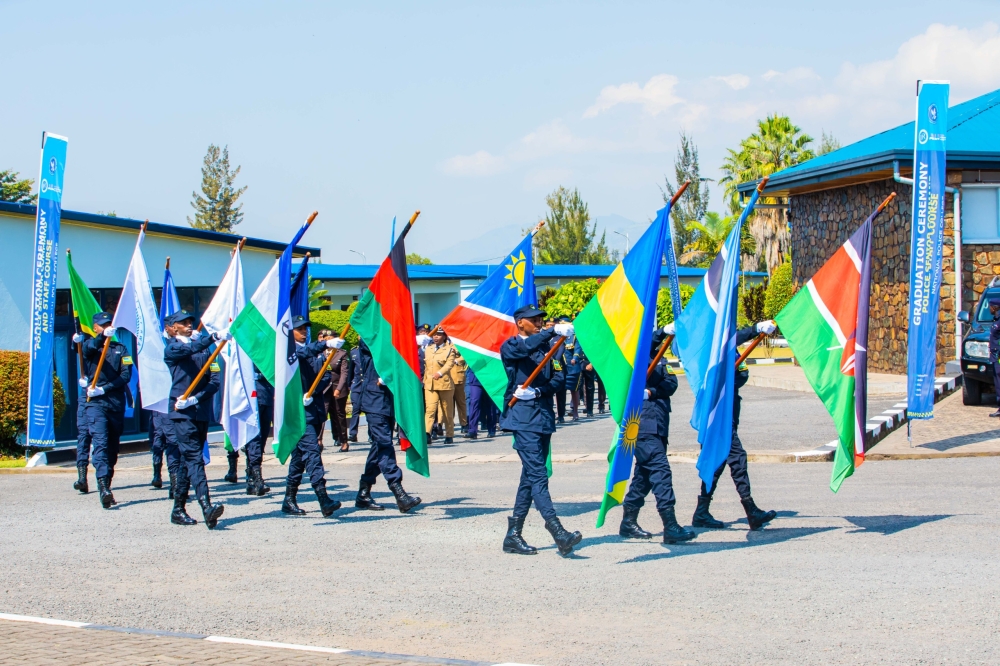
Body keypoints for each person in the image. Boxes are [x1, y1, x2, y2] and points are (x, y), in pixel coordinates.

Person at [680, 319, 779, 531]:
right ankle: (750, 510)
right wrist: (754, 330)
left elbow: (740, 374)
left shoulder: (727, 350)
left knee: (716, 463)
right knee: (737, 457)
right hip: (717, 415)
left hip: (729, 412)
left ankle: (701, 512)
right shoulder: (710, 349)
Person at [499, 306, 581, 557]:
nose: (539, 323)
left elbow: (558, 378)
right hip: (522, 419)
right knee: (538, 474)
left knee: (529, 477)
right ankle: (558, 532)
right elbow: (525, 348)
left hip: (543, 416)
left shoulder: (549, 349)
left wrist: (538, 391)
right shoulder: (511, 345)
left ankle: (513, 535)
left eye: (541, 320)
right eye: (534, 320)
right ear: (520, 323)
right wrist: (551, 331)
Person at [619, 327, 696, 544]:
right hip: (641, 424)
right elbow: (648, 343)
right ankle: (670, 526)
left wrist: (652, 391)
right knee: (661, 471)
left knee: (644, 476)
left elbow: (671, 384)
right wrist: (662, 332)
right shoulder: (632, 356)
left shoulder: (659, 358)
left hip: (659, 423)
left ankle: (628, 521)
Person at [163, 310, 225, 528]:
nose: (189, 326)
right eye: (182, 323)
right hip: (181, 413)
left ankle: (178, 509)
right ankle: (206, 506)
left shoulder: (204, 350)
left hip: (198, 411)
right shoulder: (173, 348)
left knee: (187, 462)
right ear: (172, 328)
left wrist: (196, 399)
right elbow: (189, 348)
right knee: (194, 458)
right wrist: (213, 337)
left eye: (190, 322)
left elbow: (215, 380)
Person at [282, 316, 343, 517]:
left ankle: (289, 500)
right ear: (290, 332)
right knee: (313, 453)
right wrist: (325, 343)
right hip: (298, 414)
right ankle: (323, 498)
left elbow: (325, 375)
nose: (304, 332)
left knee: (299, 458)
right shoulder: (288, 351)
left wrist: (312, 393)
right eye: (299, 329)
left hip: (313, 409)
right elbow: (302, 354)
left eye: (305, 328)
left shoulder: (312, 352)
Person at [352, 339, 421, 513]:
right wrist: (409, 342)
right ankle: (398, 491)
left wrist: (411, 343)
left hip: (388, 401)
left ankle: (363, 493)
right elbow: (377, 345)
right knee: (384, 444)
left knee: (378, 446)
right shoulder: (369, 339)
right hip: (373, 401)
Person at [73, 312, 132, 508]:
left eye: (108, 324)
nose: (105, 326)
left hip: (114, 403)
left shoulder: (121, 348)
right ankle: (103, 489)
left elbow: (125, 376)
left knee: (113, 448)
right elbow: (87, 347)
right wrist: (101, 338)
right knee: (100, 444)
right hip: (95, 405)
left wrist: (104, 389)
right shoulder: (90, 347)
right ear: (95, 327)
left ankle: (107, 483)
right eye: (102, 325)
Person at [242, 365, 273, 496]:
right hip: (252, 394)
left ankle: (251, 479)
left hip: (267, 394)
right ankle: (256, 479)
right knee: (254, 438)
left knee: (262, 440)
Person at [318, 329, 351, 450]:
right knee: (322, 413)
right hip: (323, 388)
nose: (327, 340)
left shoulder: (341, 353)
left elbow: (344, 373)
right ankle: (319, 440)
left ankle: (343, 441)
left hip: (337, 387)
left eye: (329, 338)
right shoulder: (321, 353)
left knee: (339, 415)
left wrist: (339, 388)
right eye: (325, 339)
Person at [423, 327, 456, 445]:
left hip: (444, 384)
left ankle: (449, 434)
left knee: (447, 410)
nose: (436, 337)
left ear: (444, 336)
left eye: (439, 335)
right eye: (434, 335)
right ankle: (427, 433)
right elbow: (426, 365)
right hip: (430, 384)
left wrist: (440, 373)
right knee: (430, 409)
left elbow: (449, 364)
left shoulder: (449, 350)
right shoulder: (429, 349)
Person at [72, 379, 92, 494]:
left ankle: (104, 479)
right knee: (83, 437)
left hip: (104, 396)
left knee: (104, 442)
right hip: (85, 397)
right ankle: (82, 479)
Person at [465, 368, 495, 440]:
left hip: (489, 376)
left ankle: (491, 430)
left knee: (490, 404)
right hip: (476, 377)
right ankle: (472, 431)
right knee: (474, 403)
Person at [347, 343, 363, 442]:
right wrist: (349, 385)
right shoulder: (354, 351)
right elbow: (350, 370)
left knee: (369, 410)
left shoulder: (371, 349)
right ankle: (353, 433)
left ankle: (371, 435)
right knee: (355, 409)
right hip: (356, 385)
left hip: (367, 385)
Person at [451, 350, 469, 435]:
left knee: (461, 402)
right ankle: (449, 425)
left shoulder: (457, 340)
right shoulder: (444, 343)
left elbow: (466, 354)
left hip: (458, 376)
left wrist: (456, 360)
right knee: (448, 404)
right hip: (446, 377)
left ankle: (463, 423)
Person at [988, 298, 1000, 417]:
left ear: (995, 307)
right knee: (997, 382)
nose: (989, 308)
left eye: (990, 306)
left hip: (999, 356)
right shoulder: (996, 319)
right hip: (995, 356)